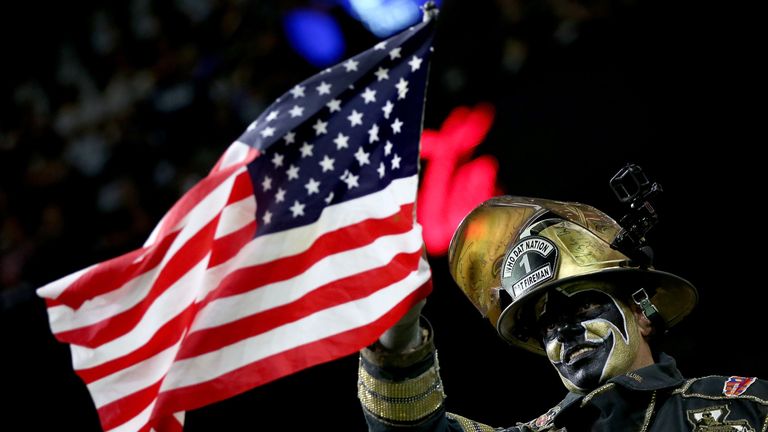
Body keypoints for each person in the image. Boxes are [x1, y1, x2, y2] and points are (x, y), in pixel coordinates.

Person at [357, 196, 768, 431]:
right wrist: (400, 335)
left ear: (642, 314)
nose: (564, 333)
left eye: (583, 305)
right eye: (547, 324)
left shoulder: (749, 408)